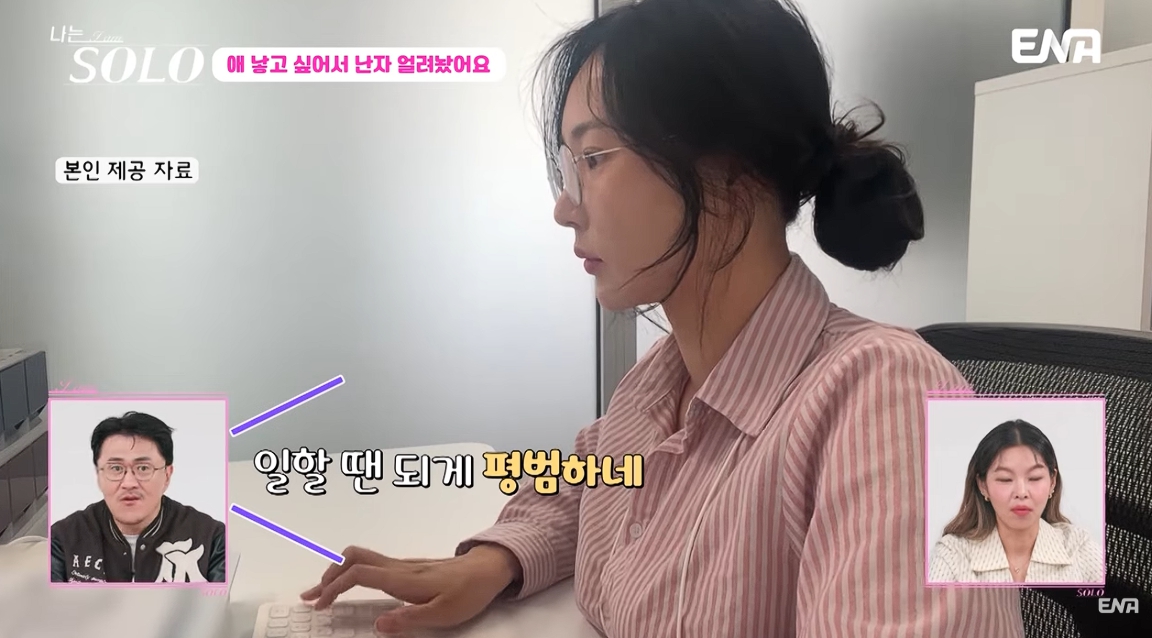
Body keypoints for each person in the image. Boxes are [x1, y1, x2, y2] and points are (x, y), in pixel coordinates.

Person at [301, 0, 1025, 635]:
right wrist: (495, 559)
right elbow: (587, 483)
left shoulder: (892, 404)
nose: (564, 208)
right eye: (569, 165)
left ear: (730, 174)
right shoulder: (663, 378)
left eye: (594, 158)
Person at [50, 411, 227, 583]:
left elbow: (220, 601)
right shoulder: (64, 539)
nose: (129, 483)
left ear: (167, 475)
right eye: (116, 468)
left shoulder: (211, 537)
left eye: (143, 468)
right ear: (98, 474)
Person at [928, 419, 1105, 584]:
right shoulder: (953, 554)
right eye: (1005, 479)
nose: (1021, 493)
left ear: (1052, 482)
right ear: (983, 485)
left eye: (1034, 478)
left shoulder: (1078, 547)